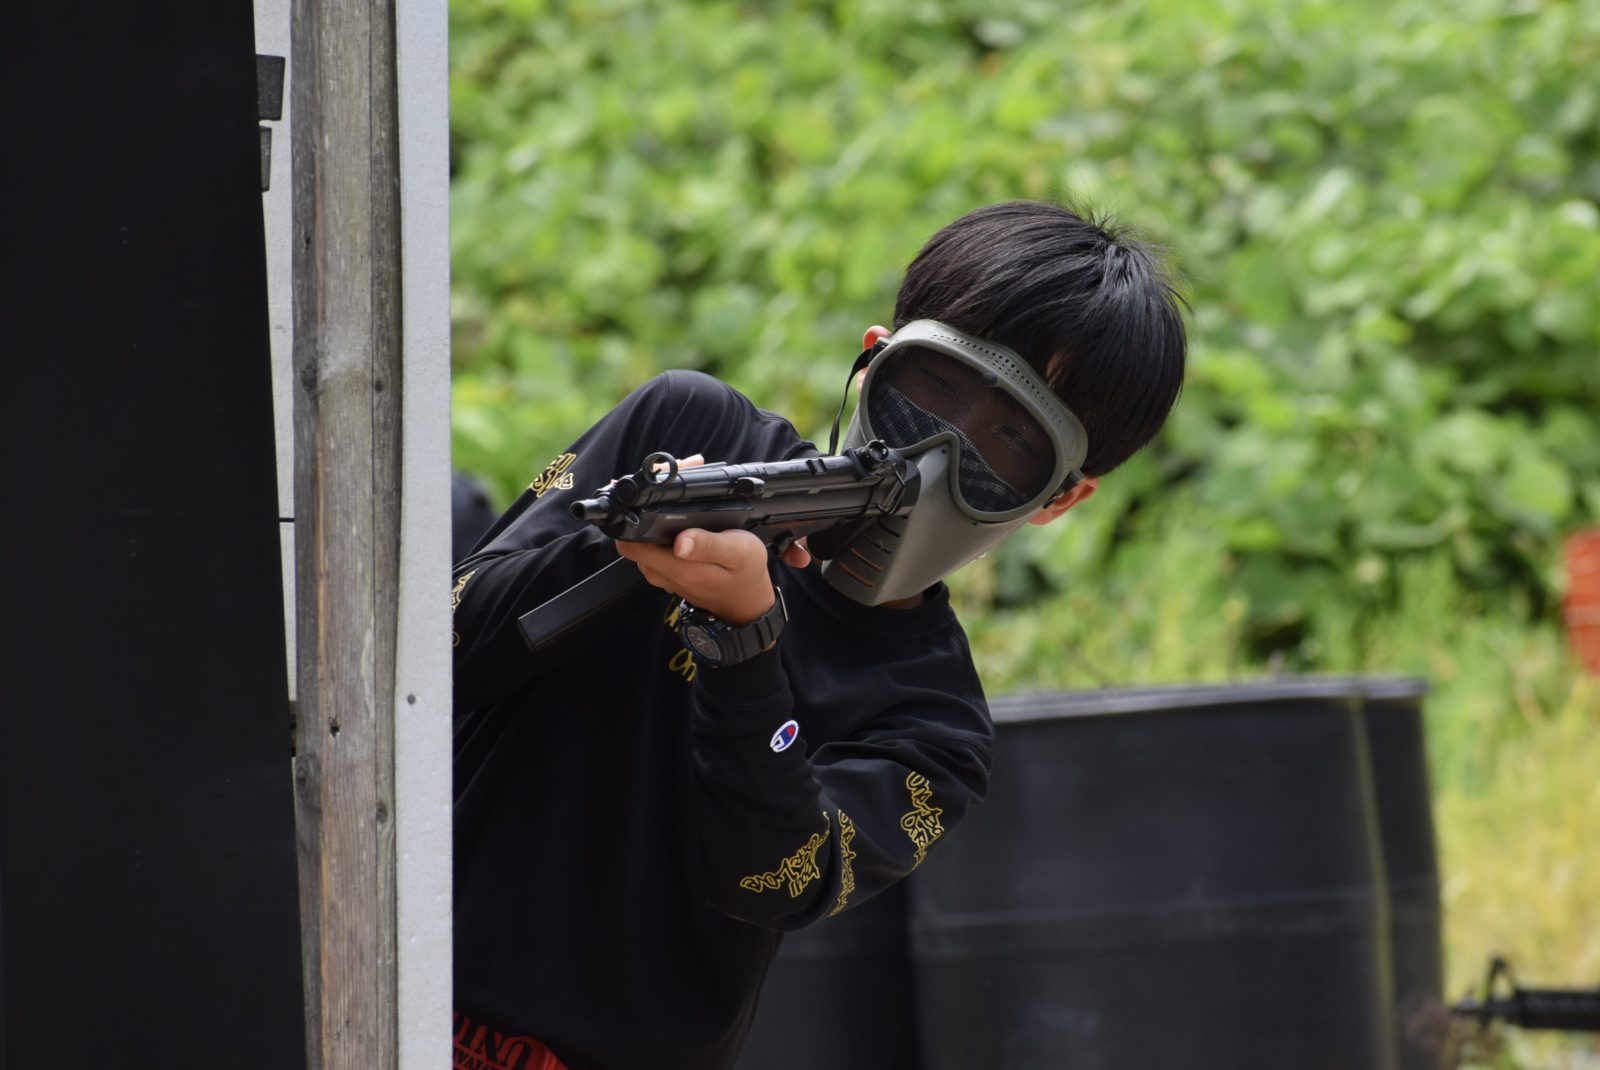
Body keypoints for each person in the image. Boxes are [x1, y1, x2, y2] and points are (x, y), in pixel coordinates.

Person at [450, 200, 1188, 1070]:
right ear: (874, 361)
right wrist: (620, 546)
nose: (941, 451)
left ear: (1060, 499)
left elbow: (775, 878)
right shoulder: (687, 429)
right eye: (935, 389)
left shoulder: (934, 723)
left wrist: (743, 643)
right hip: (388, 986)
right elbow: (440, 646)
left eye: (1010, 441)